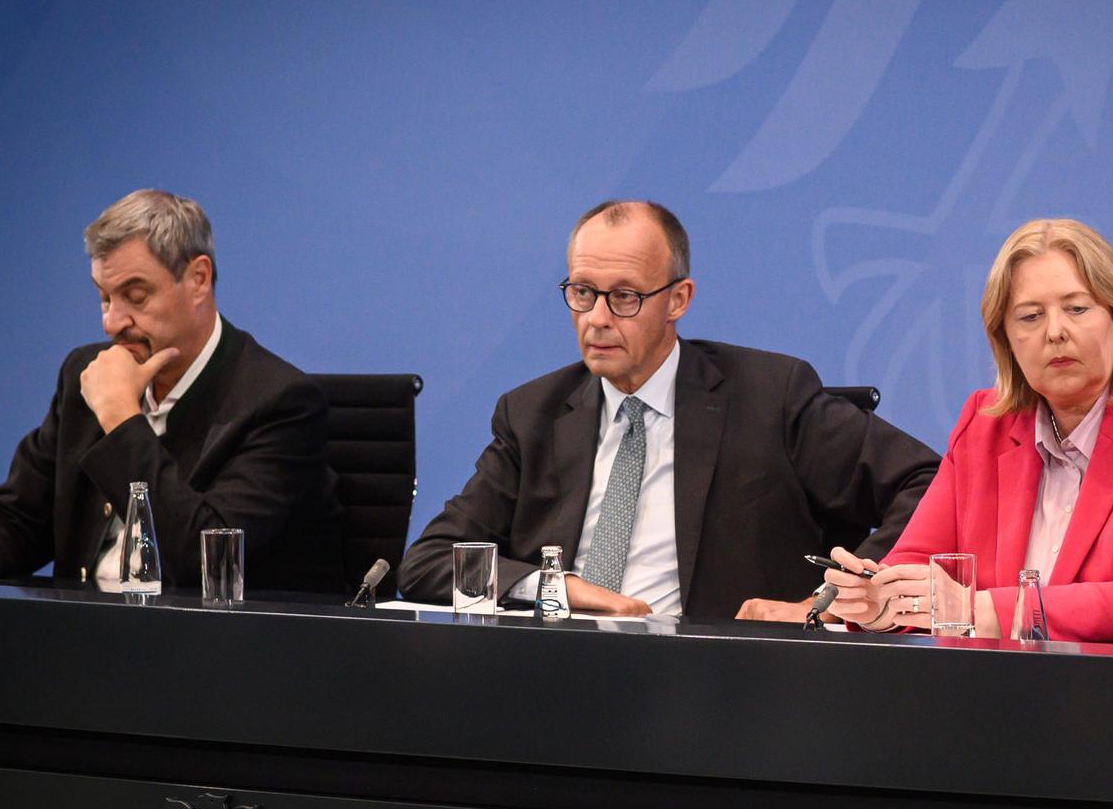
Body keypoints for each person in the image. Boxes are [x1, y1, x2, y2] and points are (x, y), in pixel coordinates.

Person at [397, 200, 939, 621]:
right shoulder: (532, 414)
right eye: (583, 292)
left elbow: (926, 482)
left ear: (678, 299)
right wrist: (559, 590)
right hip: (559, 677)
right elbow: (429, 562)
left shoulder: (771, 396)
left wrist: (834, 598)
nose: (597, 319)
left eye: (625, 296)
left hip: (724, 683)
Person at [807, 218, 1113, 648]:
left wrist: (979, 610)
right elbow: (917, 563)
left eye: (1077, 309)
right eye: (1030, 317)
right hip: (1020, 704)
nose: (1054, 331)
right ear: (1006, 340)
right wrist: (880, 603)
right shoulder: (985, 424)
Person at [0, 189, 345, 594]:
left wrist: (122, 420)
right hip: (84, 644)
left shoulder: (279, 403)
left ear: (199, 279)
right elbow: (24, 514)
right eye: (104, 297)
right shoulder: (86, 374)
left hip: (215, 660)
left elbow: (205, 564)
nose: (112, 322)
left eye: (136, 296)